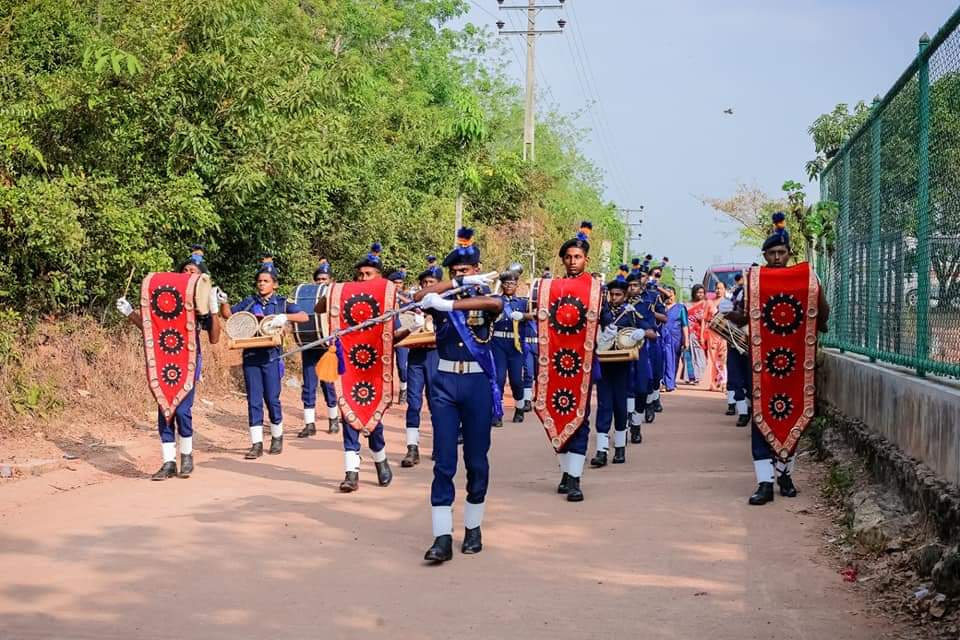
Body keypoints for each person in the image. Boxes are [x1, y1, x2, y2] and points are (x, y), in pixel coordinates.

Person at [726, 213, 830, 505]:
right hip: (762, 365)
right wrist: (732, 316)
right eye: (771, 253)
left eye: (781, 252)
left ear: (789, 254)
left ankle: (785, 475)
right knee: (761, 417)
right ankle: (764, 482)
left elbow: (823, 314)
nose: (776, 257)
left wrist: (815, 299)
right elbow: (746, 315)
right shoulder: (755, 281)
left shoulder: (806, 279)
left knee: (792, 414)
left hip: (795, 365)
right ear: (764, 255)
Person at [414, 228, 503, 563]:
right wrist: (451, 286)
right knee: (444, 462)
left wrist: (452, 300)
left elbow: (494, 304)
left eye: (466, 270)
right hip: (444, 385)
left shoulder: (487, 295)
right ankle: (441, 537)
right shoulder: (443, 296)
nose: (461, 275)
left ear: (478, 269)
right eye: (455, 272)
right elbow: (417, 296)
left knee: (476, 461)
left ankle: (473, 527)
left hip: (477, 385)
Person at [116, 247, 222, 479]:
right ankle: (168, 462)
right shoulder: (167, 301)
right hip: (164, 360)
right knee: (164, 409)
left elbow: (215, 338)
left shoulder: (200, 307)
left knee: (182, 410)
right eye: (184, 270)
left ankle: (186, 455)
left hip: (188, 361)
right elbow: (151, 329)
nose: (187, 273)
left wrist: (213, 309)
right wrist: (130, 312)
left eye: (193, 271)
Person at [220, 265, 308, 459]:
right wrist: (224, 302)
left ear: (274, 284)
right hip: (251, 356)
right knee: (253, 400)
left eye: (266, 281)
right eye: (259, 281)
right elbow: (229, 316)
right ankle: (256, 444)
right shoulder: (250, 302)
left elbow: (303, 316)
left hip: (271, 357)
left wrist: (285, 317)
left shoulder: (282, 303)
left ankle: (277, 436)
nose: (261, 284)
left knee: (272, 398)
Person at [337, 243, 400, 492]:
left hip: (374, 366)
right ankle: (351, 472)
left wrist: (411, 328)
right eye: (360, 275)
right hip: (350, 365)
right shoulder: (347, 300)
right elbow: (323, 309)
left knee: (372, 415)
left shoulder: (389, 301)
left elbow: (396, 333)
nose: (363, 279)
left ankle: (380, 459)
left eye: (368, 274)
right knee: (348, 414)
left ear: (380, 277)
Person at [545, 222, 599, 502]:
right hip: (556, 363)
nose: (572, 261)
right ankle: (566, 473)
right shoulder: (551, 288)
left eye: (577, 257)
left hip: (583, 364)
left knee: (580, 417)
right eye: (568, 257)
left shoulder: (597, 289)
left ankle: (575, 478)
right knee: (557, 412)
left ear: (586, 260)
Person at [591, 274, 641, 467]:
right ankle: (601, 451)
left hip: (623, 365)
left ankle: (620, 448)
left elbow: (648, 329)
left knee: (620, 406)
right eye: (612, 294)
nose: (614, 298)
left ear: (625, 295)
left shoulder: (632, 313)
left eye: (618, 294)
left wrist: (639, 334)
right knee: (604, 405)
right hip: (604, 363)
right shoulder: (602, 312)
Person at [401, 257, 442, 468]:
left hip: (437, 356)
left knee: (437, 403)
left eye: (431, 282)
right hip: (416, 356)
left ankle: (439, 445)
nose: (427, 286)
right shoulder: (413, 304)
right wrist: (412, 325)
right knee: (414, 403)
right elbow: (401, 329)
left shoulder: (445, 304)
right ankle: (412, 447)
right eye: (424, 282)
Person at [297, 259, 340, 438]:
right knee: (309, 385)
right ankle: (309, 424)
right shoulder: (308, 299)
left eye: (324, 279)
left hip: (328, 347)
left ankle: (333, 419)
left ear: (331, 280)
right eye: (318, 279)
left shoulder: (336, 298)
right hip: (310, 345)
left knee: (328, 384)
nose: (321, 282)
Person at [491, 269, 530, 425]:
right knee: (498, 379)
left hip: (515, 345)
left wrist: (523, 316)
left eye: (512, 283)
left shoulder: (522, 303)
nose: (508, 286)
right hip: (498, 343)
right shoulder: (495, 301)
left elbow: (536, 315)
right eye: (506, 283)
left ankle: (519, 408)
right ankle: (497, 413)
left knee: (516, 381)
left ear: (516, 285)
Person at [723, 272, 751, 426]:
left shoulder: (761, 294)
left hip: (754, 343)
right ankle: (743, 412)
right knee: (736, 377)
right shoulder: (737, 293)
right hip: (735, 342)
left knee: (750, 380)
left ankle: (750, 408)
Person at [388, 267, 410, 405]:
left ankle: (403, 389)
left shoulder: (407, 297)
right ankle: (386, 394)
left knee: (402, 366)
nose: (397, 285)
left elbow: (414, 307)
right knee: (385, 366)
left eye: (400, 283)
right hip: (386, 335)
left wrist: (398, 297)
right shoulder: (384, 297)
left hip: (402, 335)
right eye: (395, 283)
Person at [661, 286, 688, 392]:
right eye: (667, 295)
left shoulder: (680, 308)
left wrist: (686, 340)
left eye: (671, 294)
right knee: (664, 359)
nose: (669, 297)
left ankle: (670, 382)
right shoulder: (660, 308)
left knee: (673, 360)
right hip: (662, 337)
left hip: (676, 338)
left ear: (675, 295)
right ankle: (664, 383)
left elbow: (685, 325)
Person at [705, 280, 728, 392]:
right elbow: (705, 319)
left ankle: (723, 382)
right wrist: (702, 336)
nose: (718, 290)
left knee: (723, 358)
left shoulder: (728, 303)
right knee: (713, 359)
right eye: (717, 288)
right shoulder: (710, 302)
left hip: (724, 335)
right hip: (712, 334)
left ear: (725, 290)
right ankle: (714, 382)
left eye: (721, 288)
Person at [685, 284, 709, 385]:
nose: (700, 294)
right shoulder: (687, 305)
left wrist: (702, 336)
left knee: (699, 355)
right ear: (694, 293)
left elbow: (704, 320)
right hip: (687, 332)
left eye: (702, 292)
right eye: (698, 292)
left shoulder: (705, 304)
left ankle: (698, 376)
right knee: (688, 355)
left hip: (699, 333)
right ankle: (690, 377)